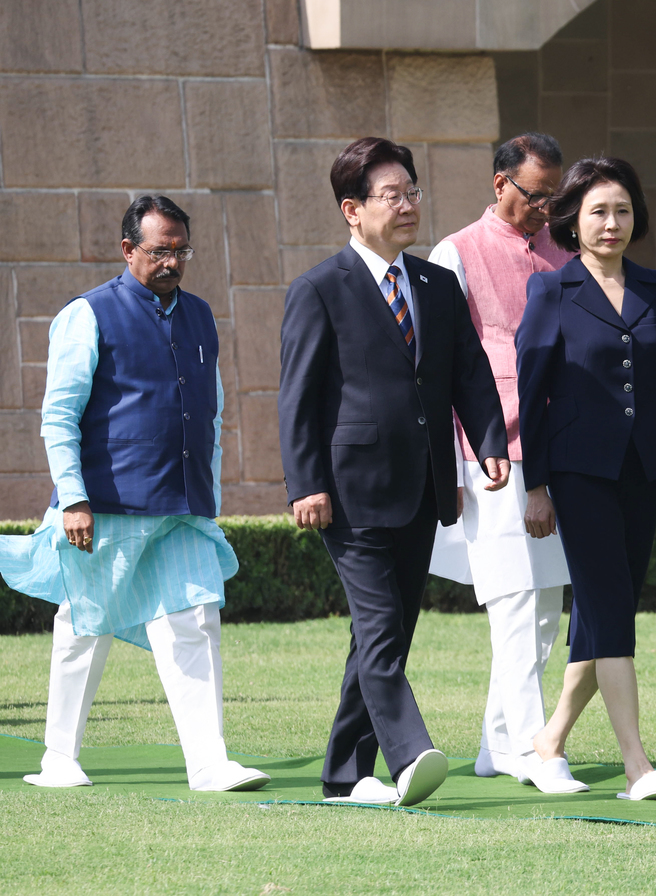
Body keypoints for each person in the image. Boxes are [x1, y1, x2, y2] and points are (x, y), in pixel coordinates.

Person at [0, 196, 269, 793]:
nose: (172, 262)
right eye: (159, 251)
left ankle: (208, 763)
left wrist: (211, 489)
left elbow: (212, 410)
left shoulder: (200, 315)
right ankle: (58, 758)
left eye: (181, 251)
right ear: (128, 250)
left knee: (195, 617)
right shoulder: (87, 314)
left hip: (183, 506)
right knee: (83, 627)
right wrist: (72, 497)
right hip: (105, 506)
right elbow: (59, 415)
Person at [278, 137, 510, 807]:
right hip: (349, 492)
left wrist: (488, 437)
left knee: (385, 633)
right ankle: (410, 756)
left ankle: (345, 776)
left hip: (423, 484)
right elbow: (298, 396)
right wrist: (306, 484)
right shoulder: (320, 289)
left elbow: (466, 367)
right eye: (393, 195)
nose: (408, 204)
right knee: (380, 629)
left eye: (412, 191)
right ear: (352, 209)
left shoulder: (435, 284)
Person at [515, 157, 656, 800]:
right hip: (576, 473)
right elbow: (533, 393)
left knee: (601, 617)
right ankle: (637, 767)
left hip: (641, 473)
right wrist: (534, 484)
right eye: (598, 210)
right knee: (611, 613)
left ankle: (548, 743)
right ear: (573, 220)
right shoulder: (550, 291)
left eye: (622, 210)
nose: (611, 223)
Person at [424, 133, 575, 785]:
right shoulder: (452, 254)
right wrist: (449, 463)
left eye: (554, 197)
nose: (546, 209)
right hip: (486, 456)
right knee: (515, 599)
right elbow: (435, 372)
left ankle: (497, 742)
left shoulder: (564, 254)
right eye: (535, 195)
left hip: (556, 451)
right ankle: (528, 751)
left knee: (545, 606)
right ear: (499, 184)